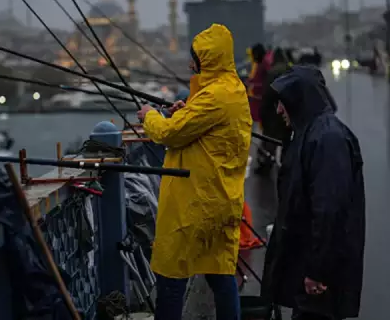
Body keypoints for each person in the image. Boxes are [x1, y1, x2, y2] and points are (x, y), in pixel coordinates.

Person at [136, 23, 251, 320]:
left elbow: (170, 134)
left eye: (196, 58)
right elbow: (199, 125)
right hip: (220, 197)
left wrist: (150, 116)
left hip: (196, 203)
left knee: (171, 276)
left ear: (209, 60)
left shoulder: (214, 97)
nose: (191, 64)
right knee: (219, 273)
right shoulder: (230, 89)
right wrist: (185, 110)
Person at [261, 66, 365, 320]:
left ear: (298, 100)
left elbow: (329, 210)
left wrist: (318, 271)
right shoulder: (310, 134)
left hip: (321, 276)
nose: (279, 110)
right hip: (310, 268)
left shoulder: (327, 139)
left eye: (283, 103)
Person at [254, 47, 292, 176]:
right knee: (287, 143)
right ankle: (287, 170)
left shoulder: (272, 72)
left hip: (273, 114)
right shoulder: (291, 71)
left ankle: (266, 167)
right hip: (289, 114)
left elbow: (267, 95)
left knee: (270, 142)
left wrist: (263, 113)